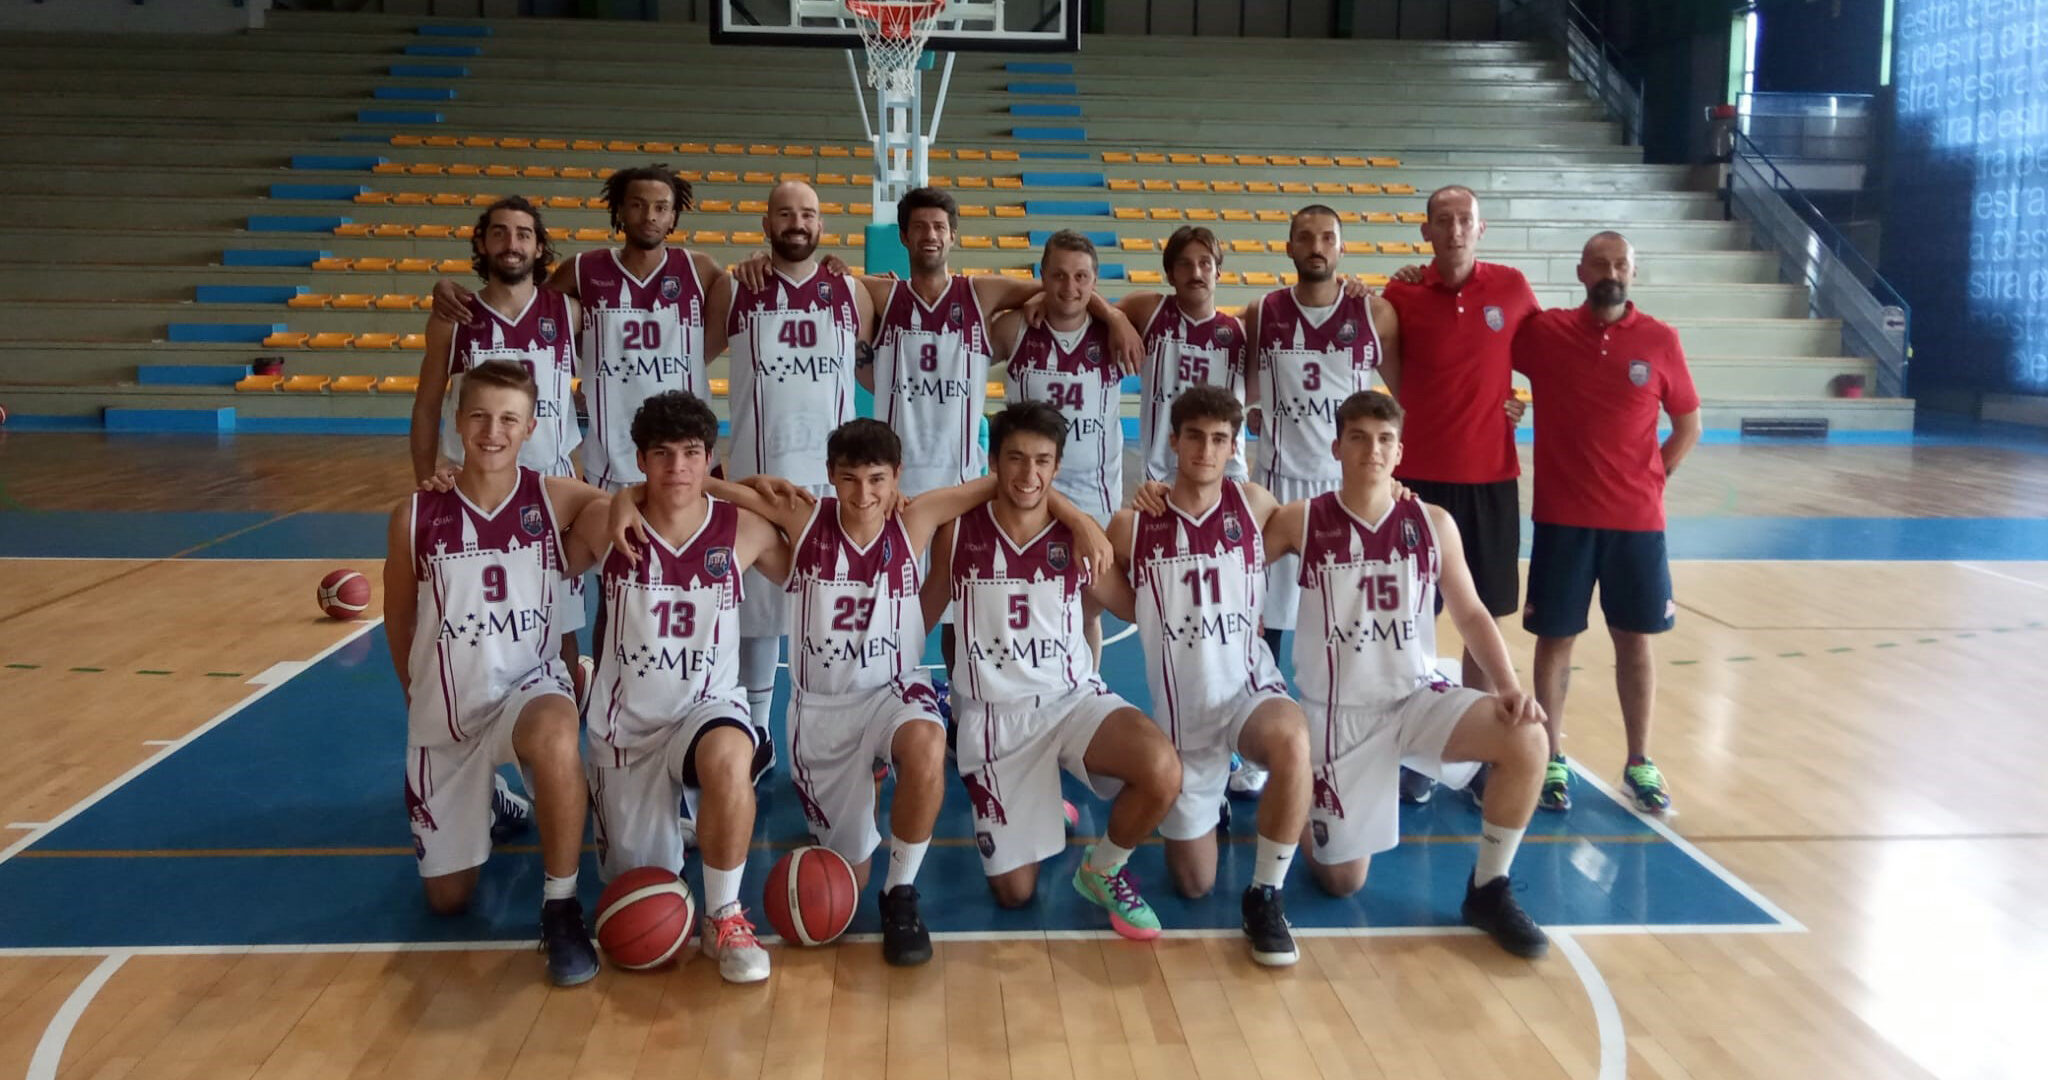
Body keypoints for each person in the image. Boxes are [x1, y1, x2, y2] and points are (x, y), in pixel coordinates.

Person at [619, 417, 1110, 964]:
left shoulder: (916, 517)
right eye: (850, 480)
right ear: (830, 476)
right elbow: (706, 489)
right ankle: (861, 810)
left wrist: (1077, 517)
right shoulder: (804, 519)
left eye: (877, 480)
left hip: (894, 691)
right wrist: (641, 493)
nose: (864, 495)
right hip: (823, 712)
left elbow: (1012, 481)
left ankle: (901, 891)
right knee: (842, 888)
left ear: (897, 477)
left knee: (926, 743)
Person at [1263, 389, 1552, 957]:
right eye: (1359, 438)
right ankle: (1297, 795)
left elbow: (1469, 612)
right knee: (1341, 881)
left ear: (1399, 452)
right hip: (1339, 716)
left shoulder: (1432, 522)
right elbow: (1236, 547)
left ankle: (1488, 888)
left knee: (1528, 737)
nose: (1373, 450)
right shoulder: (1303, 520)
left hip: (1417, 698)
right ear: (1337, 447)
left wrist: (1512, 687)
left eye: (1385, 439)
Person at [383, 359, 611, 986]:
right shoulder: (415, 515)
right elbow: (398, 621)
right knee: (448, 902)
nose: (492, 431)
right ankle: (498, 804)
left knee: (556, 731)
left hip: (527, 688)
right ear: (458, 422)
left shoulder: (550, 495)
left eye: (509, 418)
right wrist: (416, 699)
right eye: (479, 415)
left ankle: (561, 906)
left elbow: (623, 507)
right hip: (446, 718)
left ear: (531, 425)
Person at [922, 401, 1182, 939]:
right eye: (1015, 459)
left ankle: (1102, 868)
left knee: (1161, 769)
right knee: (1015, 894)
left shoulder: (1077, 540)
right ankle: (1034, 799)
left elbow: (1136, 607)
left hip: (1072, 702)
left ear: (1058, 467)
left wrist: (1162, 525)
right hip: (996, 722)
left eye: (1043, 460)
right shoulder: (960, 532)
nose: (1029, 474)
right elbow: (922, 613)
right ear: (993, 461)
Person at [574, 390, 794, 984]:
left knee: (731, 756)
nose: (678, 468)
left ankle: (724, 914)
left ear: (708, 458)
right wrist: (617, 496)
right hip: (626, 730)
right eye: (662, 454)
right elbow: (546, 567)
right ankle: (671, 821)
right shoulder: (604, 522)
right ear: (640, 459)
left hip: (706, 708)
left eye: (692, 454)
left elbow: (815, 559)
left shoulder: (742, 530)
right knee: (644, 898)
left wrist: (738, 490)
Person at [1108, 386, 1312, 967]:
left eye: (1219, 439)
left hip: (1248, 693)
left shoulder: (1255, 505)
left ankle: (1265, 895)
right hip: (1182, 722)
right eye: (1194, 436)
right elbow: (1113, 595)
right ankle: (1208, 798)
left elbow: (1341, 515)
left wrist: (1397, 491)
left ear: (1234, 446)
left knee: (1292, 740)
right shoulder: (1133, 525)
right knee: (1193, 885)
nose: (1205, 448)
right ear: (1173, 441)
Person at [1512, 231, 1701, 814]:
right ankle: (1550, 758)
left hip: (1636, 524)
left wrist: (1653, 476)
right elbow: (1481, 348)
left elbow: (1688, 424)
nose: (1610, 271)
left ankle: (1639, 760)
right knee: (1555, 640)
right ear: (1580, 272)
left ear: (1633, 274)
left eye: (1620, 263)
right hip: (1563, 520)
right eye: (1600, 263)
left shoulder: (1661, 340)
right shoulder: (1545, 334)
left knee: (1635, 642)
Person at [1378, 185, 1537, 806]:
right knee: (1415, 623)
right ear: (1426, 232)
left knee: (1483, 620)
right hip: (1418, 481)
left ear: (1481, 227)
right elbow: (1389, 367)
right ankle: (1423, 750)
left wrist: (1519, 399)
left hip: (1491, 478)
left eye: (1464, 219)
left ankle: (1478, 752)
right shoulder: (1402, 294)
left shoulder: (1514, 290)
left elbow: (1541, 357)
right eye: (1442, 221)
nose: (1454, 229)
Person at [429, 163, 731, 492]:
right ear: (619, 210)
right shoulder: (583, 270)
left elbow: (740, 300)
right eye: (637, 205)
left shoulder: (699, 269)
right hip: (609, 460)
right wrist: (444, 286)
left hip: (689, 452)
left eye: (661, 208)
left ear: (673, 216)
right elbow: (522, 301)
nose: (649, 216)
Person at [1235, 203, 1401, 796]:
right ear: (1287, 246)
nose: (1316, 245)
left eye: (1327, 237)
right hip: (1280, 489)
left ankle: (1351, 745)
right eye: (1304, 236)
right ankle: (1260, 749)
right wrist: (1252, 412)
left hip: (1347, 493)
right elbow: (1242, 386)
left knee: (1349, 627)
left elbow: (1406, 392)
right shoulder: (1263, 313)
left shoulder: (1371, 310)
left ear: (1340, 247)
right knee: (1266, 624)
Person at [719, 180, 876, 782]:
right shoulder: (736, 287)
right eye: (785, 213)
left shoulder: (851, 290)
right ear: (766, 222)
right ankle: (759, 732)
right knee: (757, 616)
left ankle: (836, 730)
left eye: (807, 214)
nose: (797, 223)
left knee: (830, 615)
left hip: (835, 487)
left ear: (822, 224)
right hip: (761, 477)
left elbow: (877, 344)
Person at [409, 196, 591, 710]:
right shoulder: (455, 317)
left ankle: (562, 755)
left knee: (561, 623)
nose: (512, 244)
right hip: (474, 489)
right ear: (482, 244)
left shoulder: (570, 313)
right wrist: (427, 478)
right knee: (479, 623)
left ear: (539, 247)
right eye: (500, 233)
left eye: (523, 234)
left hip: (549, 488)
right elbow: (425, 407)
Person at [994, 231, 1129, 662]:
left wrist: (1113, 314)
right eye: (1058, 276)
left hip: (1094, 496)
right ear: (1041, 277)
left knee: (1085, 611)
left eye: (1081, 277)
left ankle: (1086, 694)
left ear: (1094, 282)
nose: (1070, 287)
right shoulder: (1015, 329)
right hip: (1027, 493)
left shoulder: (1115, 333)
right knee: (1028, 607)